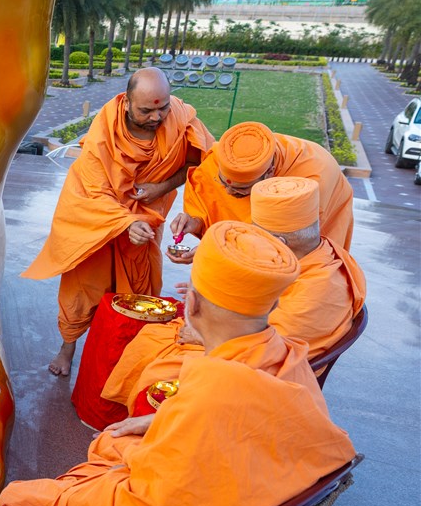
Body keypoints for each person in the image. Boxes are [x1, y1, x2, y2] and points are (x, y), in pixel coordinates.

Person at [0, 220, 356, 506]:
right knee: (110, 449)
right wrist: (165, 423)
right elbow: (243, 435)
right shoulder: (287, 356)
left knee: (21, 504)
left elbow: (146, 505)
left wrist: (111, 462)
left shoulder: (213, 390)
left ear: (194, 307)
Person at [103, 176, 367, 413]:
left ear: (281, 243)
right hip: (254, 341)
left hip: (261, 370)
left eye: (258, 234)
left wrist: (206, 335)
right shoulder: (319, 249)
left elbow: (271, 348)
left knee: (157, 357)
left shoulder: (316, 291)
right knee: (154, 334)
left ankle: (147, 431)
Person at [22, 68, 215, 376]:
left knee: (139, 282)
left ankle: (127, 349)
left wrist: (161, 187)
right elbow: (95, 190)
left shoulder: (178, 117)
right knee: (84, 283)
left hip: (146, 213)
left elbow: (201, 162)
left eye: (162, 107)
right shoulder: (105, 130)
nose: (156, 117)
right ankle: (67, 347)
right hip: (96, 215)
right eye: (146, 110)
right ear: (126, 102)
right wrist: (124, 222)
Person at [168, 120, 354, 261]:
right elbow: (209, 194)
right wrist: (197, 221)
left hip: (310, 238)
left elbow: (284, 242)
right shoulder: (225, 155)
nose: (229, 193)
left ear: (270, 173)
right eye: (223, 182)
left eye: (241, 190)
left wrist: (218, 249)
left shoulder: (310, 180)